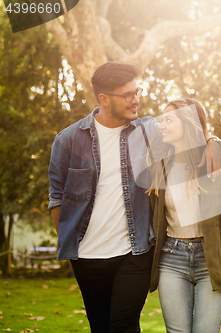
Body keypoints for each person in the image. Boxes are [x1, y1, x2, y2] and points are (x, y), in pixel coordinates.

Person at [48, 61, 155, 333]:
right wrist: (72, 240)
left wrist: (212, 140)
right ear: (104, 99)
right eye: (127, 95)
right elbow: (57, 195)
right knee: (101, 326)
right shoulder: (68, 140)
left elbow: (190, 137)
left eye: (137, 91)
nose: (136, 100)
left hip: (135, 250)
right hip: (87, 256)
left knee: (123, 323)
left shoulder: (146, 130)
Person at [147, 98, 221, 333]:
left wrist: (212, 140)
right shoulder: (160, 165)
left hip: (211, 258)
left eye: (168, 119)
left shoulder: (215, 160)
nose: (161, 125)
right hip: (172, 258)